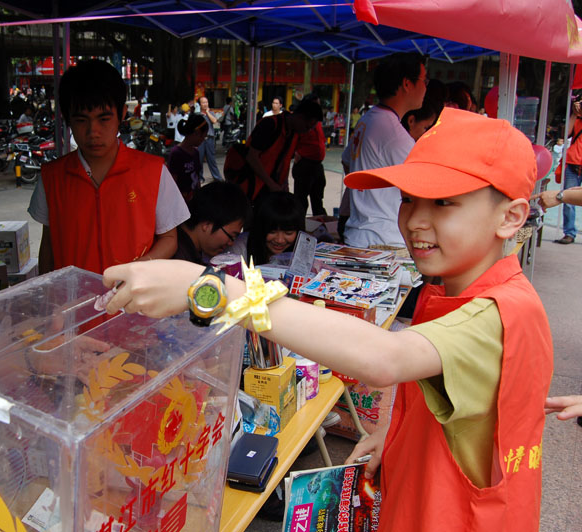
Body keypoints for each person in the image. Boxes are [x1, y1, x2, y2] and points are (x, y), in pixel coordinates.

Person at [102, 108, 551, 531]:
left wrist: (211, 288)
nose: (415, 220)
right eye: (409, 200)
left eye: (444, 203)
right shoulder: (451, 289)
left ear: (511, 217)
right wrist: (392, 437)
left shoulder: (500, 310)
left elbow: (387, 357)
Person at [27, 59, 189, 275]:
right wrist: (49, 297)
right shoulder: (52, 178)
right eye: (82, 120)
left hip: (133, 303)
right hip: (74, 304)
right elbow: (48, 245)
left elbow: (170, 239)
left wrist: (136, 269)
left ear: (121, 113)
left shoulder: (153, 171)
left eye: (104, 119)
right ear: (67, 118)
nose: (93, 131)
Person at [341, 53, 427, 248]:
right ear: (407, 83)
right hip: (385, 241)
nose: (425, 88)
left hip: (362, 233)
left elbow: (347, 161)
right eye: (424, 80)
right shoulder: (393, 133)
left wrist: (367, 197)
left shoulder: (369, 119)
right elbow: (421, 186)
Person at [224, 99, 321, 203]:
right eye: (307, 126)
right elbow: (251, 156)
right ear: (300, 117)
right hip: (252, 187)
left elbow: (284, 161)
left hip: (271, 189)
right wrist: (271, 184)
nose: (307, 131)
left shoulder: (293, 133)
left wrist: (282, 186)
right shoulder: (270, 124)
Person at [173, 182, 250, 265]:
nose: (231, 243)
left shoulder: (187, 249)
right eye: (231, 236)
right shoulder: (178, 258)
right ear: (207, 224)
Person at [227, 191, 305, 264]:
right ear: (259, 228)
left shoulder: (304, 251)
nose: (279, 240)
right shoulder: (239, 250)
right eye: (272, 232)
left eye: (288, 233)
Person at [552, 98, 582, 244]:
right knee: (567, 198)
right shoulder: (577, 119)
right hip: (572, 163)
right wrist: (574, 114)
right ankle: (569, 233)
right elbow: (566, 134)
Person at [292, 101, 327, 215]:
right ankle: (299, 226)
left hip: (317, 165)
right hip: (304, 164)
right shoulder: (299, 125)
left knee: (317, 199)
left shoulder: (317, 124)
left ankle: (320, 226)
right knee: (301, 200)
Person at [166, 114, 208, 203]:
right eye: (203, 136)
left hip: (194, 202)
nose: (203, 140)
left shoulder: (196, 153)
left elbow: (197, 179)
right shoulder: (176, 153)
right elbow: (172, 183)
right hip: (180, 204)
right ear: (197, 133)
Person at [197, 96, 223, 182]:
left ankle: (217, 177)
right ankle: (200, 177)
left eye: (206, 102)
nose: (205, 104)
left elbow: (214, 121)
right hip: (200, 139)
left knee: (211, 159)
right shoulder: (198, 115)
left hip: (210, 138)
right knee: (199, 159)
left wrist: (207, 113)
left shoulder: (211, 113)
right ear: (200, 104)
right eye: (203, 102)